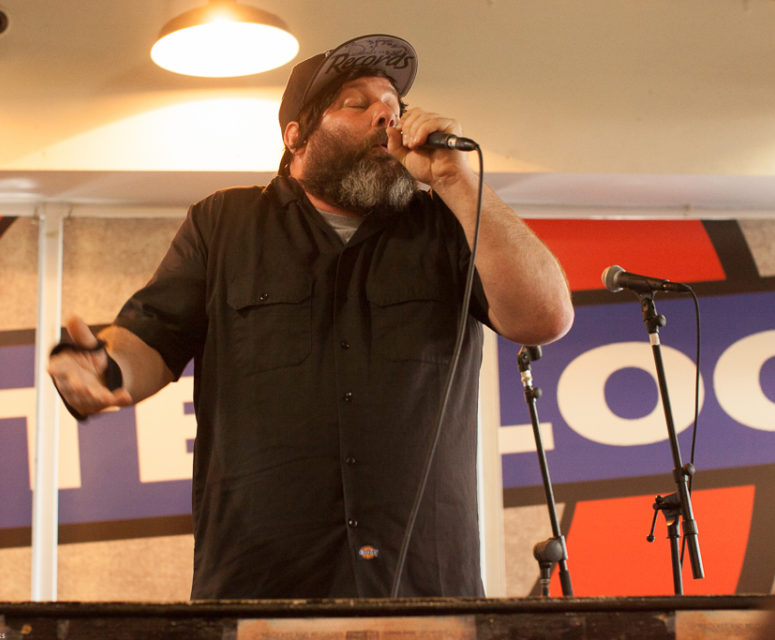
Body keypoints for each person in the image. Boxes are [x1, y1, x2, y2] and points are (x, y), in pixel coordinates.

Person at [48, 34, 573, 599]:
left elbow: (545, 317)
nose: (386, 118)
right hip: (261, 581)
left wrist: (455, 179)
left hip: (423, 580)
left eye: (394, 107)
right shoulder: (224, 223)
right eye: (357, 103)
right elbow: (151, 338)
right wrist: (105, 371)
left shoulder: (445, 225)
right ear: (296, 135)